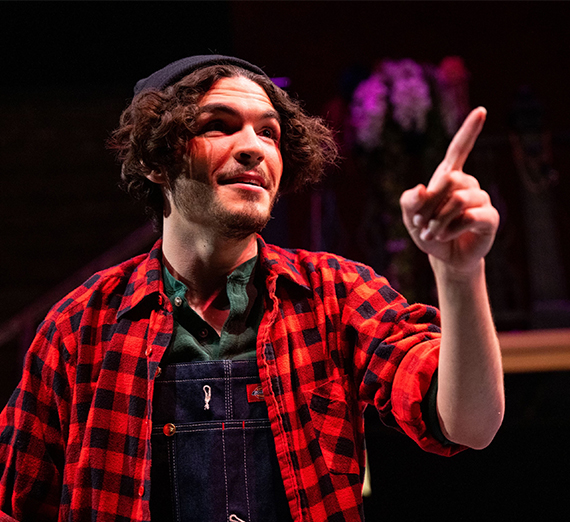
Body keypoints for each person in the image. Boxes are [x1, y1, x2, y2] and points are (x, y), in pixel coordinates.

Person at [0, 55, 504, 522]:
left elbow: (470, 424)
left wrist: (459, 275)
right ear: (155, 162)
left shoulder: (334, 294)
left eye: (269, 133)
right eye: (219, 125)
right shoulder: (80, 326)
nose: (253, 147)